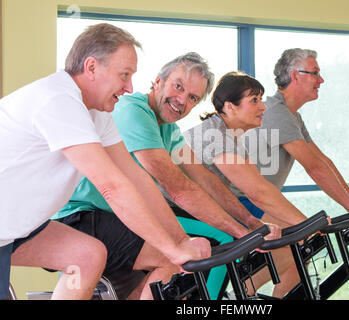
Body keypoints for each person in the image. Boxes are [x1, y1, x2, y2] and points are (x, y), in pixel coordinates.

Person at [0, 23, 204, 300]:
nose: (130, 86)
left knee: (86, 255)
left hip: (18, 228)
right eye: (124, 74)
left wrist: (180, 240)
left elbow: (134, 176)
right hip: (8, 226)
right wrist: (171, 250)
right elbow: (112, 187)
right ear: (92, 67)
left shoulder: (97, 115)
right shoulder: (58, 101)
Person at [54, 53, 281, 300]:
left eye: (192, 97)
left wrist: (249, 223)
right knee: (210, 244)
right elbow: (178, 187)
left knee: (201, 246)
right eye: (178, 86)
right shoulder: (134, 111)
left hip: (121, 212)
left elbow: (203, 178)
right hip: (87, 213)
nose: (182, 100)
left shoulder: (169, 128)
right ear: (158, 81)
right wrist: (242, 233)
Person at [184, 71, 327, 298]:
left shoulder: (230, 136)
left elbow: (257, 186)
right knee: (288, 230)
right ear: (230, 107)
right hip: (180, 214)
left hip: (202, 211)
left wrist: (306, 224)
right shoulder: (214, 135)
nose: (263, 107)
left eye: (261, 99)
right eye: (254, 100)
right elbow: (257, 192)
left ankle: (243, 292)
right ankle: (239, 293)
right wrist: (308, 224)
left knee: (285, 229)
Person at [243, 48, 349, 217]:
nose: (321, 80)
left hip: (260, 201)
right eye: (315, 73)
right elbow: (314, 168)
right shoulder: (275, 111)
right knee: (304, 237)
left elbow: (322, 161)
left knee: (304, 236)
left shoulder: (293, 116)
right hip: (243, 201)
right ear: (295, 76)